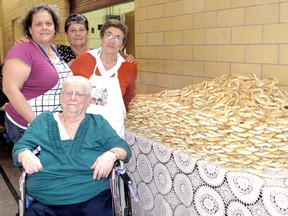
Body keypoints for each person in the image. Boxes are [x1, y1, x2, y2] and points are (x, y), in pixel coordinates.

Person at [12, 76, 131, 216]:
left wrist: (112, 154)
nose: (73, 98)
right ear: (61, 97)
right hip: (46, 199)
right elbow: (20, 147)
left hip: (92, 196)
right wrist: (25, 154)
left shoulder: (97, 123)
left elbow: (124, 148)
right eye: (68, 93)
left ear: (88, 100)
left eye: (79, 94)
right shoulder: (43, 121)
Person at [2, 3, 73, 144]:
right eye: (38, 24)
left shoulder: (54, 51)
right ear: (30, 28)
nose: (44, 27)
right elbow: (10, 89)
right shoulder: (22, 50)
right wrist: (36, 123)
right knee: (36, 166)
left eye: (48, 23)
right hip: (28, 125)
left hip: (50, 125)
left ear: (55, 27)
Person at [70, 19, 138, 138]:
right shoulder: (84, 58)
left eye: (118, 38)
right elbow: (67, 89)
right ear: (101, 39)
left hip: (113, 132)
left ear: (122, 45)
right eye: (108, 35)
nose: (112, 41)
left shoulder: (129, 67)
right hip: (82, 130)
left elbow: (129, 98)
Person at [18, 13, 136, 66]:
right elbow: (38, 49)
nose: (78, 34)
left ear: (87, 32)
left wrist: (127, 58)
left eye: (81, 30)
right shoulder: (57, 51)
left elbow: (114, 59)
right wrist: (27, 42)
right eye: (73, 30)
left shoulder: (97, 53)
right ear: (67, 34)